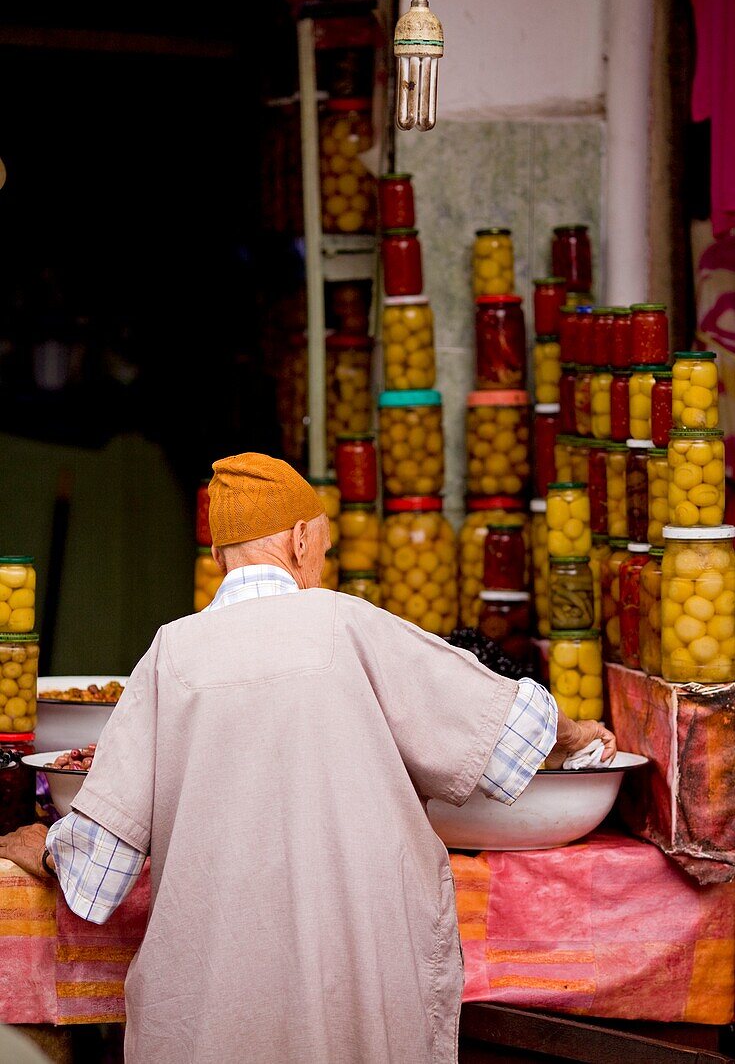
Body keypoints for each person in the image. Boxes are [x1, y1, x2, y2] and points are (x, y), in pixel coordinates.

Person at [0, 453, 615, 1064]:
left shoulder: (171, 652)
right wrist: (576, 731)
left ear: (218, 558)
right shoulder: (346, 624)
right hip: (353, 1000)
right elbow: (503, 723)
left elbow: (98, 867)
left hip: (214, 1021)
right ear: (300, 540)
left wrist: (42, 846)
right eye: (321, 545)